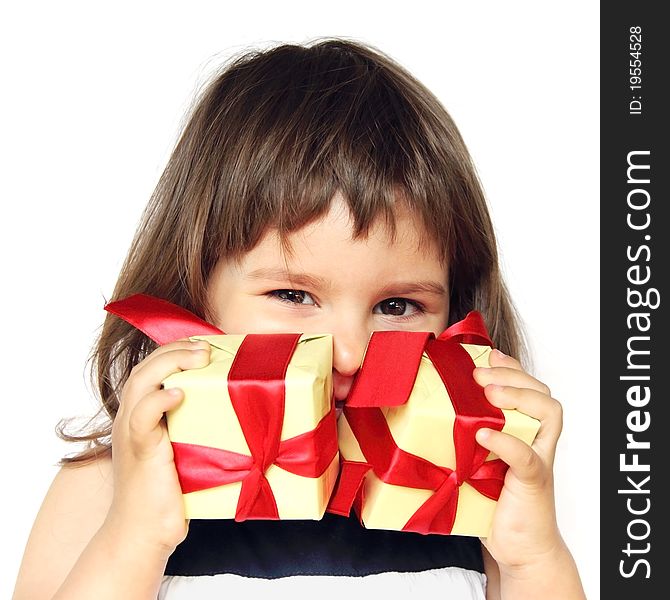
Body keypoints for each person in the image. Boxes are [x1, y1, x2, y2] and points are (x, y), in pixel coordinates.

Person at [12, 38, 586, 599]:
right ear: (194, 292)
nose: (349, 353)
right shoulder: (105, 485)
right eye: (293, 295)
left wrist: (535, 559)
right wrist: (133, 538)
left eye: (397, 307)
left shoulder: (475, 499)